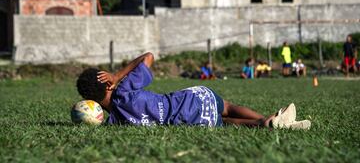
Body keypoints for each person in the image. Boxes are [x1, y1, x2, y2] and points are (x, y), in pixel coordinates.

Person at [76, 52, 310, 129]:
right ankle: (268, 119)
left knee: (225, 121)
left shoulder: (115, 120)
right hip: (187, 100)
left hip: (186, 120)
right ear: (108, 84)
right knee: (226, 107)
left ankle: (267, 124)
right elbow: (148, 57)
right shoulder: (124, 88)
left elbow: (96, 118)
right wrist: (117, 75)